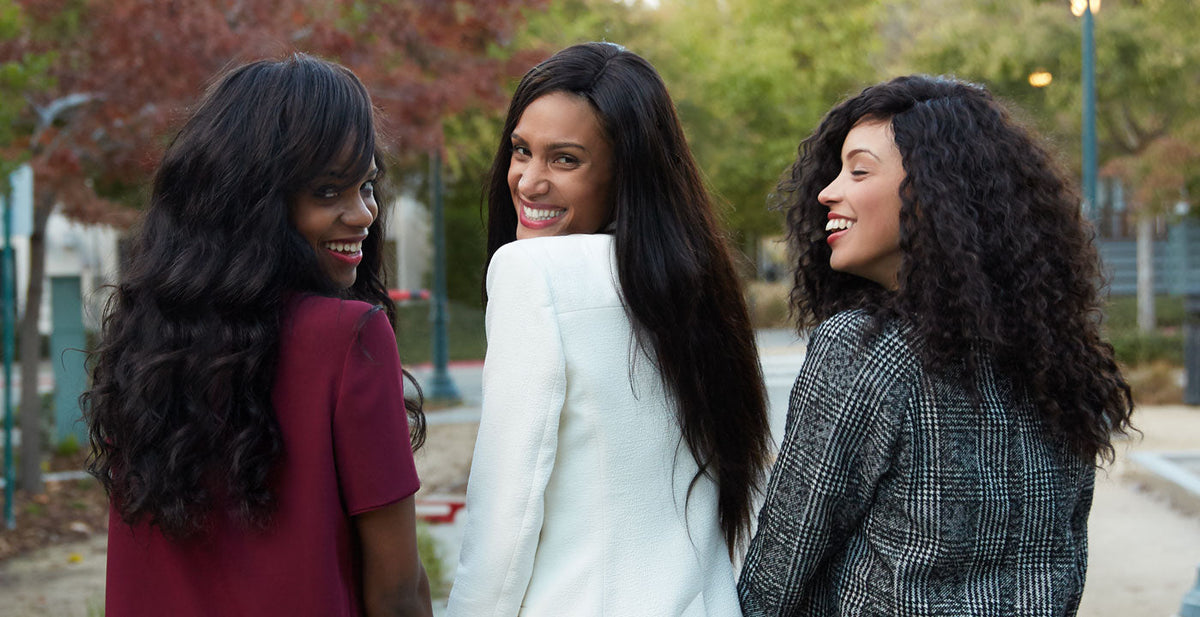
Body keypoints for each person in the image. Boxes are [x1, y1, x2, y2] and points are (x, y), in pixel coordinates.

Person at [737, 74, 1136, 616]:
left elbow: (786, 554)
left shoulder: (866, 348)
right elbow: (1064, 559)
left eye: (858, 170)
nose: (828, 190)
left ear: (930, 194)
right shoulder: (1055, 360)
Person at [83, 54, 432, 617]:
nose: (364, 213)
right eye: (326, 192)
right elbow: (395, 594)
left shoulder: (146, 341)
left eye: (366, 185)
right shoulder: (347, 340)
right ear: (255, 205)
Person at [445, 42, 772, 616]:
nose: (527, 181)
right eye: (521, 151)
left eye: (565, 160)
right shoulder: (696, 285)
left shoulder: (531, 275)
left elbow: (506, 516)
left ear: (627, 176)